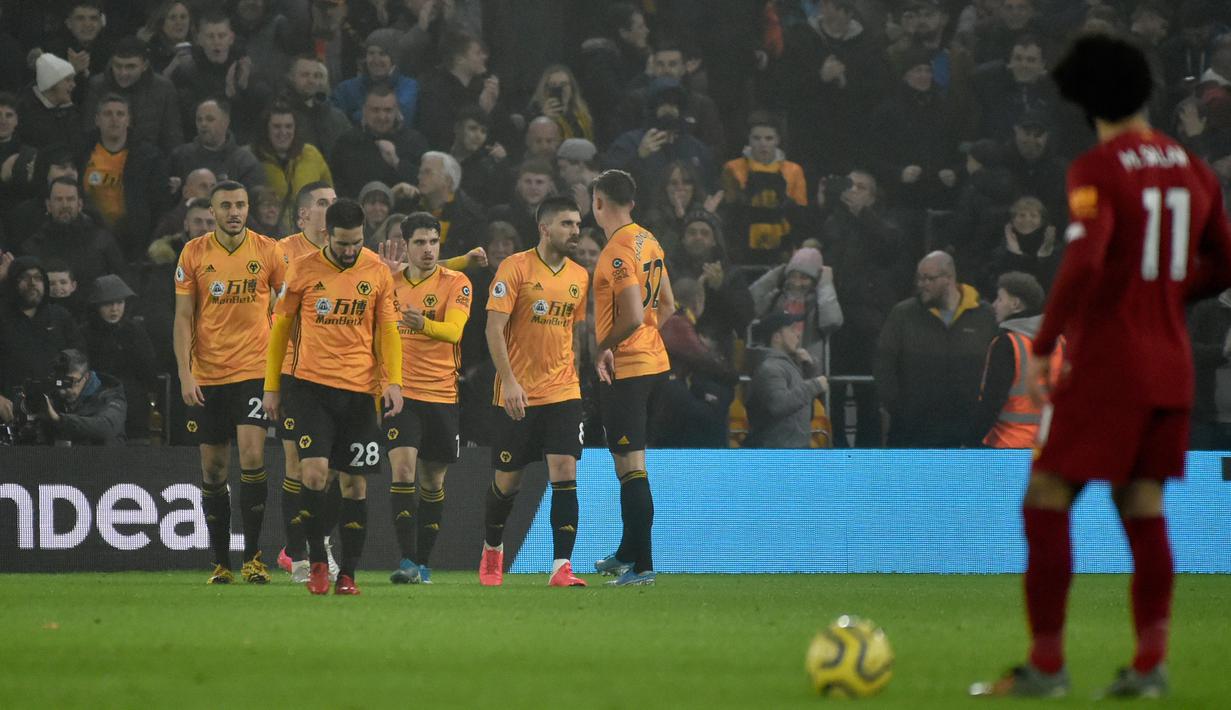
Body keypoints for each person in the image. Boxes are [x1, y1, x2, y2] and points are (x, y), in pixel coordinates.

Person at [971, 35, 1231, 699]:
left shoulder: (1097, 168)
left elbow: (1084, 264)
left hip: (1110, 364)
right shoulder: (1192, 168)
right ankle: (1149, 666)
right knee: (1142, 507)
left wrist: (1043, 344)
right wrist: (1168, 294)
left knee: (1044, 499)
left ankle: (1047, 665)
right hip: (1170, 368)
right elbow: (1223, 262)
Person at [262, 198, 404, 596]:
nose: (349, 250)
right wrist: (271, 386)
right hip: (309, 387)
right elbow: (279, 331)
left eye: (356, 242)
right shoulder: (303, 270)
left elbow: (389, 330)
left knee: (355, 486)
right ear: (327, 234)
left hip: (360, 392)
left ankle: (349, 576)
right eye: (342, 243)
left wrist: (394, 381)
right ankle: (317, 561)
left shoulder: (376, 270)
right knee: (313, 473)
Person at [173, 180, 285, 585]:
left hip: (254, 370)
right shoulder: (194, 252)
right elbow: (183, 317)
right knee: (214, 467)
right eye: (226, 206)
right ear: (213, 212)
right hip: (209, 373)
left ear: (248, 207)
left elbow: (288, 300)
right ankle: (221, 561)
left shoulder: (269, 250)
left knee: (253, 456)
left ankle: (254, 557)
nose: (234, 212)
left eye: (240, 204)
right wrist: (186, 372)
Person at [479, 196, 589, 588]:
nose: (575, 231)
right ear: (544, 228)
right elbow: (493, 328)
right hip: (518, 392)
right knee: (508, 481)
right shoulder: (516, 268)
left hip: (563, 391)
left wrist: (575, 370)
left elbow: (572, 331)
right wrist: (509, 381)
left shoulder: (579, 275)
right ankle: (493, 548)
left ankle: (562, 566)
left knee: (565, 470)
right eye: (567, 224)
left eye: (577, 224)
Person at [590, 169, 675, 587]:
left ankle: (642, 566)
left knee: (630, 467)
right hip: (657, 364)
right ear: (634, 202)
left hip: (629, 369)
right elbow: (669, 307)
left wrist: (604, 344)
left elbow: (633, 312)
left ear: (598, 202)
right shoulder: (649, 240)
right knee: (632, 466)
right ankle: (627, 551)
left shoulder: (616, 250)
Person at [385, 212, 472, 585]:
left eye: (433, 242)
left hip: (441, 393)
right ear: (405, 245)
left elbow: (454, 332)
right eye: (419, 242)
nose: (428, 249)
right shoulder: (387, 283)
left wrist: (424, 325)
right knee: (403, 470)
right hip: (400, 392)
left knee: (433, 481)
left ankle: (422, 561)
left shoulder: (457, 282)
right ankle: (406, 560)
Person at [269, 182, 342, 583]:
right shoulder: (281, 254)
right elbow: (266, 306)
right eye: (322, 203)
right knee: (298, 463)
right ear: (302, 217)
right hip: (294, 373)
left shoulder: (347, 255)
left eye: (334, 202)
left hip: (341, 376)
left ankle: (310, 543)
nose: (331, 209)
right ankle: (301, 556)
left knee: (332, 471)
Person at [875, 250, 996, 448]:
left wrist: (982, 414)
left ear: (948, 278)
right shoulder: (903, 314)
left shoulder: (984, 316)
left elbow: (995, 368)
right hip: (912, 432)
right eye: (919, 278)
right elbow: (884, 365)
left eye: (928, 279)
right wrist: (898, 409)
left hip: (967, 432)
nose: (921, 285)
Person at [969, 271, 1060, 449]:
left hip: (1009, 446)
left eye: (1000, 299)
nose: (994, 305)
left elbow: (992, 402)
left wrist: (970, 441)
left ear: (1015, 304)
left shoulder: (1007, 344)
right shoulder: (1059, 341)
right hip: (1048, 447)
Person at [77, 93, 168, 261]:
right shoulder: (81, 153)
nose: (114, 119)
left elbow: (158, 203)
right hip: (90, 237)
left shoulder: (149, 157)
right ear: (97, 120)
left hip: (134, 242)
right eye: (108, 114)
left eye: (120, 114)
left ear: (128, 120)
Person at [0, 257, 85, 423]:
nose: (32, 283)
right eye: (24, 277)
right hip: (8, 411)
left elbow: (79, 357)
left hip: (55, 412)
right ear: (12, 282)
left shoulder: (60, 317)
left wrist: (70, 381)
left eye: (38, 277)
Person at [83, 274, 158, 443]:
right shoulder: (85, 334)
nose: (115, 309)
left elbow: (149, 370)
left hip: (133, 404)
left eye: (120, 302)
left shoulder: (135, 331)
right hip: (97, 403)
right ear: (96, 306)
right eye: (108, 303)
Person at [82, 36, 183, 154]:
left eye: (130, 67)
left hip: (150, 161)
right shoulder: (97, 86)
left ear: (144, 65)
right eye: (118, 66)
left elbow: (172, 138)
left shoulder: (164, 88)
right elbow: (89, 132)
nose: (123, 73)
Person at [744, 312, 829, 448]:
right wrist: (814, 385)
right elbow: (779, 405)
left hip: (791, 449)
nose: (798, 334)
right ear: (777, 337)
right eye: (791, 329)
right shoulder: (770, 368)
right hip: (776, 455)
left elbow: (804, 413)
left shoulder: (787, 365)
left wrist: (809, 372)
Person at [10, 348, 127, 446]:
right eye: (59, 383)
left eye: (69, 383)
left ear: (86, 377)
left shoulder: (110, 395)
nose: (62, 391)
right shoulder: (53, 394)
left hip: (106, 465)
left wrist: (58, 419)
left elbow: (106, 427)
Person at [252, 102, 332, 235]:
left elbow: (330, 195)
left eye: (288, 126)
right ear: (266, 129)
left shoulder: (312, 155)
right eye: (277, 127)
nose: (283, 132)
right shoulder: (252, 158)